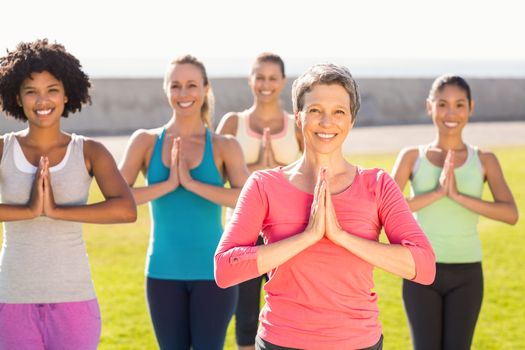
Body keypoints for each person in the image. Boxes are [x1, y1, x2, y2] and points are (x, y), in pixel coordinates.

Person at [215, 63, 436, 350]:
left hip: (357, 342)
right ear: (298, 116)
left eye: (338, 112)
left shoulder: (377, 185)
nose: (326, 122)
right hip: (282, 342)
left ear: (351, 120)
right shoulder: (263, 185)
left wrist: (341, 236)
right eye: (315, 110)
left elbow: (424, 267)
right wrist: (307, 236)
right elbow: (224, 270)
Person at [0, 39, 137, 350]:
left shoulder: (89, 151)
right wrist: (29, 210)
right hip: (12, 298)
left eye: (52, 89)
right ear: (17, 98)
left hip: (74, 299)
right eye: (31, 91)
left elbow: (127, 210)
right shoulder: (3, 148)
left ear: (66, 94)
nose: (42, 100)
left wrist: (58, 210)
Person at [119, 55, 249, 350]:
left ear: (205, 89)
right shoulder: (146, 142)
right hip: (163, 273)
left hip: (213, 274)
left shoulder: (224, 145)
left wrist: (191, 183)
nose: (183, 93)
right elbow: (120, 198)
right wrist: (168, 184)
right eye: (175, 85)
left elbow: (244, 197)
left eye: (191, 85)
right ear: (166, 89)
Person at [391, 74, 518, 350]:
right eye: (442, 104)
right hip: (421, 271)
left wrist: (458, 196)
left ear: (471, 107)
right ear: (429, 106)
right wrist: (435, 194)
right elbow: (384, 213)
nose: (451, 113)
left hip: (467, 273)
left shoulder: (485, 159)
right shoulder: (412, 156)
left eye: (459, 105)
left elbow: (511, 214)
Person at [216, 52, 302, 350]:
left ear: (283, 82)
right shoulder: (233, 123)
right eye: (260, 77)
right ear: (250, 80)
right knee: (246, 319)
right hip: (244, 234)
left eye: (272, 78)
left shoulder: (297, 125)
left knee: (292, 315)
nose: (266, 84)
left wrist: (276, 175)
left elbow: (312, 177)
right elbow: (217, 178)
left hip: (289, 234)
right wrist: (257, 173)